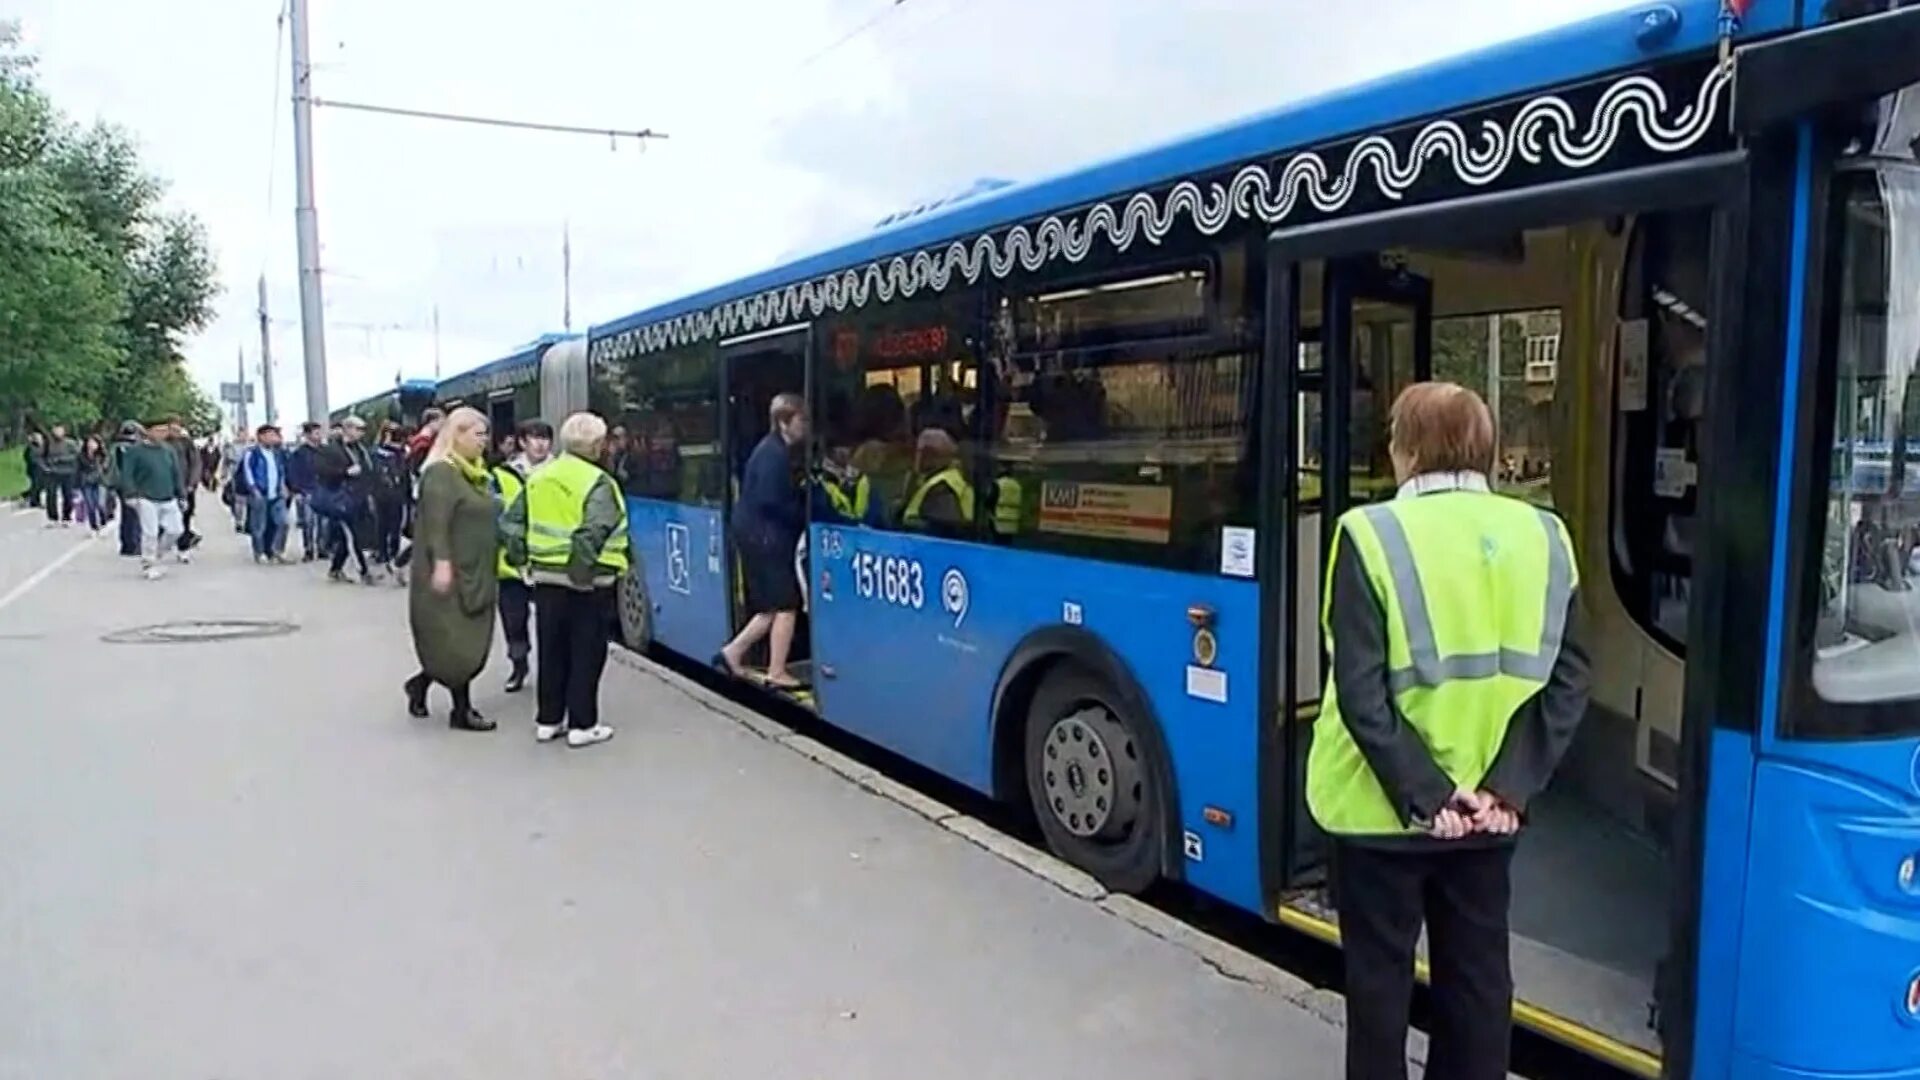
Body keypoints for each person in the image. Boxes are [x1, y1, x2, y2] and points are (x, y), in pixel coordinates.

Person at [1309, 382, 1589, 1080]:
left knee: (1381, 986)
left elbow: (1362, 694)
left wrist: (1430, 795)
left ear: (1405, 451)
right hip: (1490, 817)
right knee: (1478, 982)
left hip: (1378, 813)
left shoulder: (1369, 535)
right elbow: (1571, 676)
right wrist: (1507, 788)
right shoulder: (1546, 536)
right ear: (1487, 452)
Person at [502, 411, 626, 748]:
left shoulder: (540, 477)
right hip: (586, 583)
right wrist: (581, 574)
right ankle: (583, 724)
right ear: (598, 445)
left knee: (552, 649)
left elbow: (511, 524)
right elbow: (593, 532)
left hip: (544, 579)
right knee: (586, 652)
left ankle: (549, 719)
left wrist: (521, 560)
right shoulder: (598, 482)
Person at [403, 408, 499, 732]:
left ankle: (420, 684)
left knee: (467, 638)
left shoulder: (475, 473)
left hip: (478, 570)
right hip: (450, 571)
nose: (483, 442)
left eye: (485, 434)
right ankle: (462, 710)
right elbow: (436, 525)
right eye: (477, 434)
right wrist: (442, 564)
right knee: (454, 640)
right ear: (456, 435)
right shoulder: (441, 474)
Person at [715, 393, 807, 689]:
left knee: (770, 606)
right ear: (783, 422)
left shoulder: (772, 451)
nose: (805, 426)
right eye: (801, 420)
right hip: (765, 536)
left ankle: (732, 653)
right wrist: (800, 509)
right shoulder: (773, 454)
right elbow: (771, 500)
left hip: (757, 533)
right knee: (786, 603)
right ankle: (776, 671)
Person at [491, 420, 553, 693]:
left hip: (548, 560)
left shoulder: (559, 472)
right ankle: (519, 664)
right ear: (522, 442)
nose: (540, 444)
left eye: (545, 438)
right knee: (514, 619)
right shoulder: (501, 475)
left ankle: (551, 670)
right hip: (511, 563)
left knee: (551, 622)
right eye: (534, 438)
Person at [120, 420, 191, 580]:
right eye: (158, 430)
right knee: (150, 532)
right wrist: (130, 494)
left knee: (176, 530)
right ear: (148, 431)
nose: (162, 434)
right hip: (145, 497)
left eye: (164, 431)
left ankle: (158, 553)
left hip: (168, 496)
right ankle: (148, 563)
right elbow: (127, 474)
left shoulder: (168, 450)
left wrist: (182, 495)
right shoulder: (136, 451)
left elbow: (176, 473)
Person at [315, 416, 378, 584]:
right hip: (342, 499)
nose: (361, 433)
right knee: (353, 536)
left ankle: (335, 569)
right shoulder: (332, 450)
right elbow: (323, 472)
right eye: (358, 429)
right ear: (348, 429)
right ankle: (364, 572)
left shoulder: (361, 449)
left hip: (359, 497)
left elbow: (368, 470)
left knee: (346, 537)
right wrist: (345, 472)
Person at [901, 428, 973, 537]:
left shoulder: (942, 486)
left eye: (919, 451)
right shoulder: (940, 479)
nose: (916, 457)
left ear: (929, 453)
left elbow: (940, 529)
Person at [237, 424, 291, 563]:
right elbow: (248, 472)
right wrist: (253, 489)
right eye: (270, 435)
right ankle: (259, 552)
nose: (273, 438)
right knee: (259, 525)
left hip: (276, 493)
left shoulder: (277, 453)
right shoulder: (252, 453)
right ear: (261, 437)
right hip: (260, 493)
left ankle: (277, 550)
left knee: (283, 522)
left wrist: (283, 486)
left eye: (274, 435)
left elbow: (281, 471)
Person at [371, 423, 413, 580]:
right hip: (388, 495)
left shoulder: (393, 453)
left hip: (391, 494)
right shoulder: (387, 454)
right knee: (387, 525)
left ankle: (387, 553)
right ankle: (387, 553)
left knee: (390, 525)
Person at [287, 422, 325, 562]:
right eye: (316, 433)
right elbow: (293, 472)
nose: (319, 436)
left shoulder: (324, 451)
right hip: (306, 491)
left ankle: (322, 548)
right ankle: (309, 548)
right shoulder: (299, 453)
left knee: (323, 522)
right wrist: (296, 490)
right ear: (308, 435)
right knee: (308, 522)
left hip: (323, 490)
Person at [38, 424, 79, 527]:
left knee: (68, 495)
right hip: (52, 472)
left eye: (60, 430)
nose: (58, 432)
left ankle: (66, 516)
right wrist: (45, 467)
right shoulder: (48, 444)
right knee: (51, 495)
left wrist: (62, 459)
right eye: (56, 430)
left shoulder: (70, 443)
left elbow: (76, 456)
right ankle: (53, 517)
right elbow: (40, 457)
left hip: (67, 472)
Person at [76, 434, 110, 536]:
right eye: (89, 442)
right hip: (86, 482)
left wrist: (97, 461)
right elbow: (78, 469)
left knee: (100, 504)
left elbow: (105, 468)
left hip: (100, 482)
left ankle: (104, 522)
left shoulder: (103, 455)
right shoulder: (82, 455)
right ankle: (93, 526)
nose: (91, 445)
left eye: (94, 443)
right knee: (90, 505)